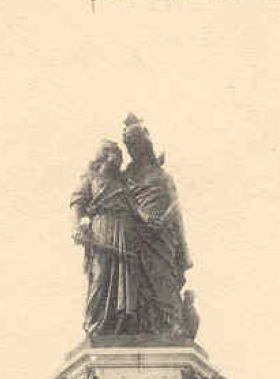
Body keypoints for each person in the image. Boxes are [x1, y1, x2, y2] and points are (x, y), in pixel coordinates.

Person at [122, 114, 193, 337]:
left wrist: (164, 221)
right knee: (138, 280)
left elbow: (175, 203)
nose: (135, 149)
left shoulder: (163, 175)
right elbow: (125, 200)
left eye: (138, 143)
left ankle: (172, 323)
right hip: (137, 233)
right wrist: (142, 215)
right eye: (131, 145)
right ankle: (141, 324)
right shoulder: (126, 177)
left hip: (163, 235)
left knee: (163, 276)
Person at [71, 139, 142, 336]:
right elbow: (77, 204)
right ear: (104, 154)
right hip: (101, 230)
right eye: (116, 153)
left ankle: (121, 324)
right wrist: (77, 227)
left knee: (124, 278)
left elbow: (136, 211)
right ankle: (95, 325)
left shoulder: (123, 184)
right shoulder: (90, 179)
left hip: (124, 232)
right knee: (100, 277)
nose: (119, 158)